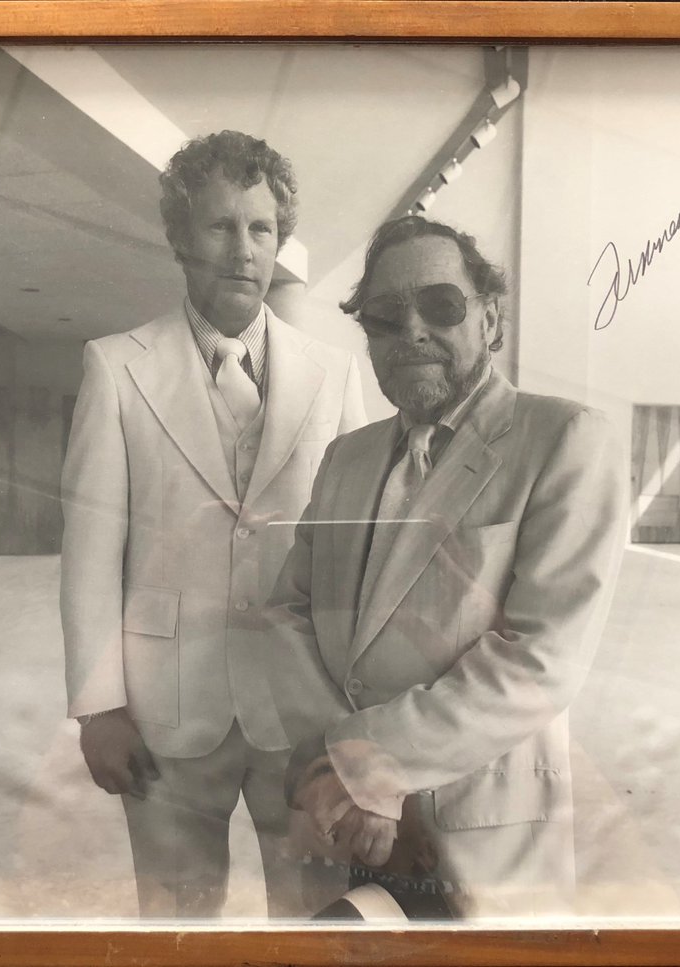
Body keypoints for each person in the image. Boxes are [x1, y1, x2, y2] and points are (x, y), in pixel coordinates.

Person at [264, 214, 625, 918]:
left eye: (441, 304)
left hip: (475, 831)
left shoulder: (566, 440)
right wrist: (333, 773)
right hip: (338, 824)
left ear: (491, 318)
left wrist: (365, 767)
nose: (412, 331)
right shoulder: (346, 458)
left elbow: (541, 659)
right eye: (385, 316)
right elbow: (286, 612)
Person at [60, 130, 365, 917]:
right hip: (165, 709)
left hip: (302, 707)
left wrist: (360, 708)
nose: (242, 250)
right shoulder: (115, 366)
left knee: (313, 919)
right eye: (220, 226)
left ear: (280, 242)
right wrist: (99, 705)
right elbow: (92, 550)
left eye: (260, 229)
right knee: (175, 925)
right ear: (179, 238)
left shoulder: (335, 374)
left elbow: (355, 550)